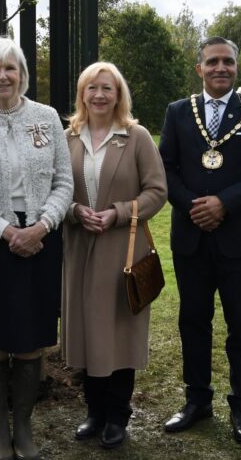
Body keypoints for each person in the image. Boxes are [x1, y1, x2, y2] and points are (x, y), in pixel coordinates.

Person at [0, 36, 73, 460]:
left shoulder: (46, 119)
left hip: (42, 240)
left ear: (23, 74)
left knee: (31, 340)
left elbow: (64, 182)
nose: (3, 76)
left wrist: (41, 226)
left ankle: (23, 427)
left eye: (11, 68)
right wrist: (7, 231)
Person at [158, 37, 241, 446]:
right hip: (190, 237)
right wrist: (195, 205)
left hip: (239, 240)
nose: (220, 68)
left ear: (236, 68)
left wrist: (224, 204)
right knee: (192, 322)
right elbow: (165, 169)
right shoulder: (178, 112)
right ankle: (197, 401)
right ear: (199, 69)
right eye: (212, 62)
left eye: (227, 62)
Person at [62, 62, 167, 450]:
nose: (100, 95)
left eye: (108, 88)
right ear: (82, 94)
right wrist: (74, 211)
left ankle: (117, 416)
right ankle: (93, 410)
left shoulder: (136, 136)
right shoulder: (68, 136)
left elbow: (157, 191)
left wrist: (118, 212)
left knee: (119, 332)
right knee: (88, 331)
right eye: (92, 88)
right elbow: (56, 189)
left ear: (119, 94)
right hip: (80, 248)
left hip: (122, 248)